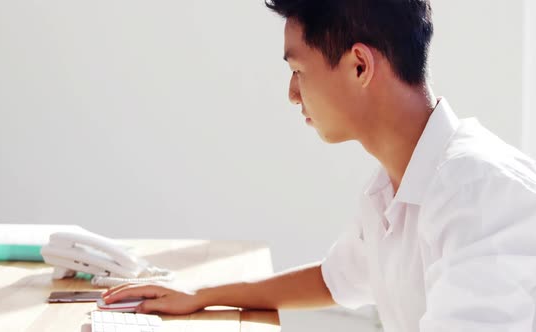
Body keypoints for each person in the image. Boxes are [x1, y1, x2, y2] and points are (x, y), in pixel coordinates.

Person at [103, 0, 536, 331]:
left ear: (359, 66)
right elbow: (335, 280)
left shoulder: (477, 192)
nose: (293, 93)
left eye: (298, 70)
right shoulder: (393, 187)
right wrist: (201, 295)